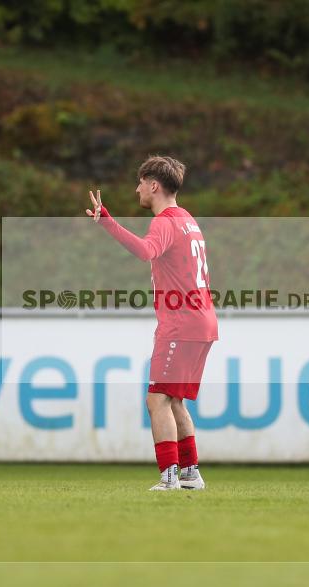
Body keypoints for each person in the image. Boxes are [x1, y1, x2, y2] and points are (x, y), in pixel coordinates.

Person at [85, 156, 218, 491]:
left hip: (181, 323)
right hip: (202, 321)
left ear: (154, 185)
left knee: (156, 398)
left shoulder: (164, 222)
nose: (137, 189)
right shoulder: (187, 219)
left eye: (140, 182)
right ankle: (191, 473)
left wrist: (107, 222)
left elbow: (146, 252)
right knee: (174, 400)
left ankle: (169, 476)